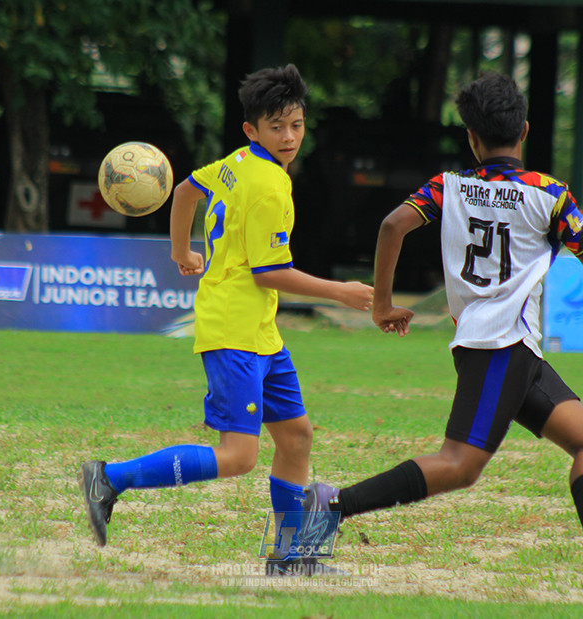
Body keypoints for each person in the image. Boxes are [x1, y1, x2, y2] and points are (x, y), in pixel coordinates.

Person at [301, 71, 583, 594]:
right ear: (526, 131)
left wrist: (382, 304)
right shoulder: (548, 193)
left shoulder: (448, 187)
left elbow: (390, 226)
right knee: (459, 465)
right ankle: (331, 505)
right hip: (500, 345)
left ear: (471, 138)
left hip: (507, 347)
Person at [80, 64, 374, 576]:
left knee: (297, 436)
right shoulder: (268, 186)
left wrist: (182, 252)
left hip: (260, 331)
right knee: (239, 456)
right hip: (235, 330)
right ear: (252, 130)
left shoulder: (238, 161)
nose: (288, 137)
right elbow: (270, 273)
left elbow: (186, 191)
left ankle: (288, 556)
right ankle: (110, 478)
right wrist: (339, 292)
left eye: (297, 125)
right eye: (276, 126)